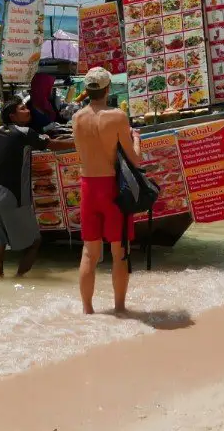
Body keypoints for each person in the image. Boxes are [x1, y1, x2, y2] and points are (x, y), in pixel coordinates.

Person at [70, 66, 140, 314]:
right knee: (119, 252)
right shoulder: (118, 116)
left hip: (88, 186)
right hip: (112, 189)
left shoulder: (77, 118)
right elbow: (134, 161)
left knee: (89, 253)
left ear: (87, 90)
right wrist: (137, 140)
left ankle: (87, 311)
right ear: (108, 88)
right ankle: (119, 308)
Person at [0, 97, 49, 277]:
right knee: (34, 243)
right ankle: (19, 279)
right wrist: (79, 143)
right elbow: (51, 144)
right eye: (22, 108)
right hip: (12, 196)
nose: (28, 110)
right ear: (12, 116)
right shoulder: (25, 132)